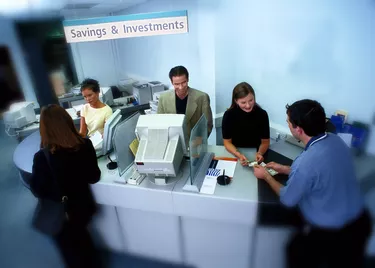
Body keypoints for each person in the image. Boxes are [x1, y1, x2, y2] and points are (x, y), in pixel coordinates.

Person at [253, 99, 372, 268]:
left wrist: (266, 175)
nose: (287, 124)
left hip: (334, 234)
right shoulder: (334, 140)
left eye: (288, 122)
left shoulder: (306, 164)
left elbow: (288, 198)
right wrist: (286, 169)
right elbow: (322, 170)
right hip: (360, 221)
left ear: (298, 130)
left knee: (294, 249)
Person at [29, 104, 102, 268]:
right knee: (82, 238)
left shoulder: (42, 157)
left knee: (72, 252)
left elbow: (37, 189)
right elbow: (94, 177)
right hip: (84, 208)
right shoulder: (85, 144)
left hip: (64, 215)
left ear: (45, 128)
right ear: (68, 121)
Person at [157, 66, 213, 140]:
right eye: (176, 84)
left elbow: (207, 124)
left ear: (188, 80)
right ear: (172, 82)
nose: (181, 87)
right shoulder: (163, 98)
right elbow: (160, 123)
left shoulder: (202, 97)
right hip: (173, 141)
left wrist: (200, 140)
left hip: (195, 144)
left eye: (183, 82)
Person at [222, 82, 270, 165]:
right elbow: (227, 142)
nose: (248, 106)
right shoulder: (229, 115)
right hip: (235, 152)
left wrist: (260, 153)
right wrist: (238, 155)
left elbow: (265, 141)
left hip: (257, 152)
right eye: (243, 102)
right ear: (236, 101)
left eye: (251, 100)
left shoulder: (262, 114)